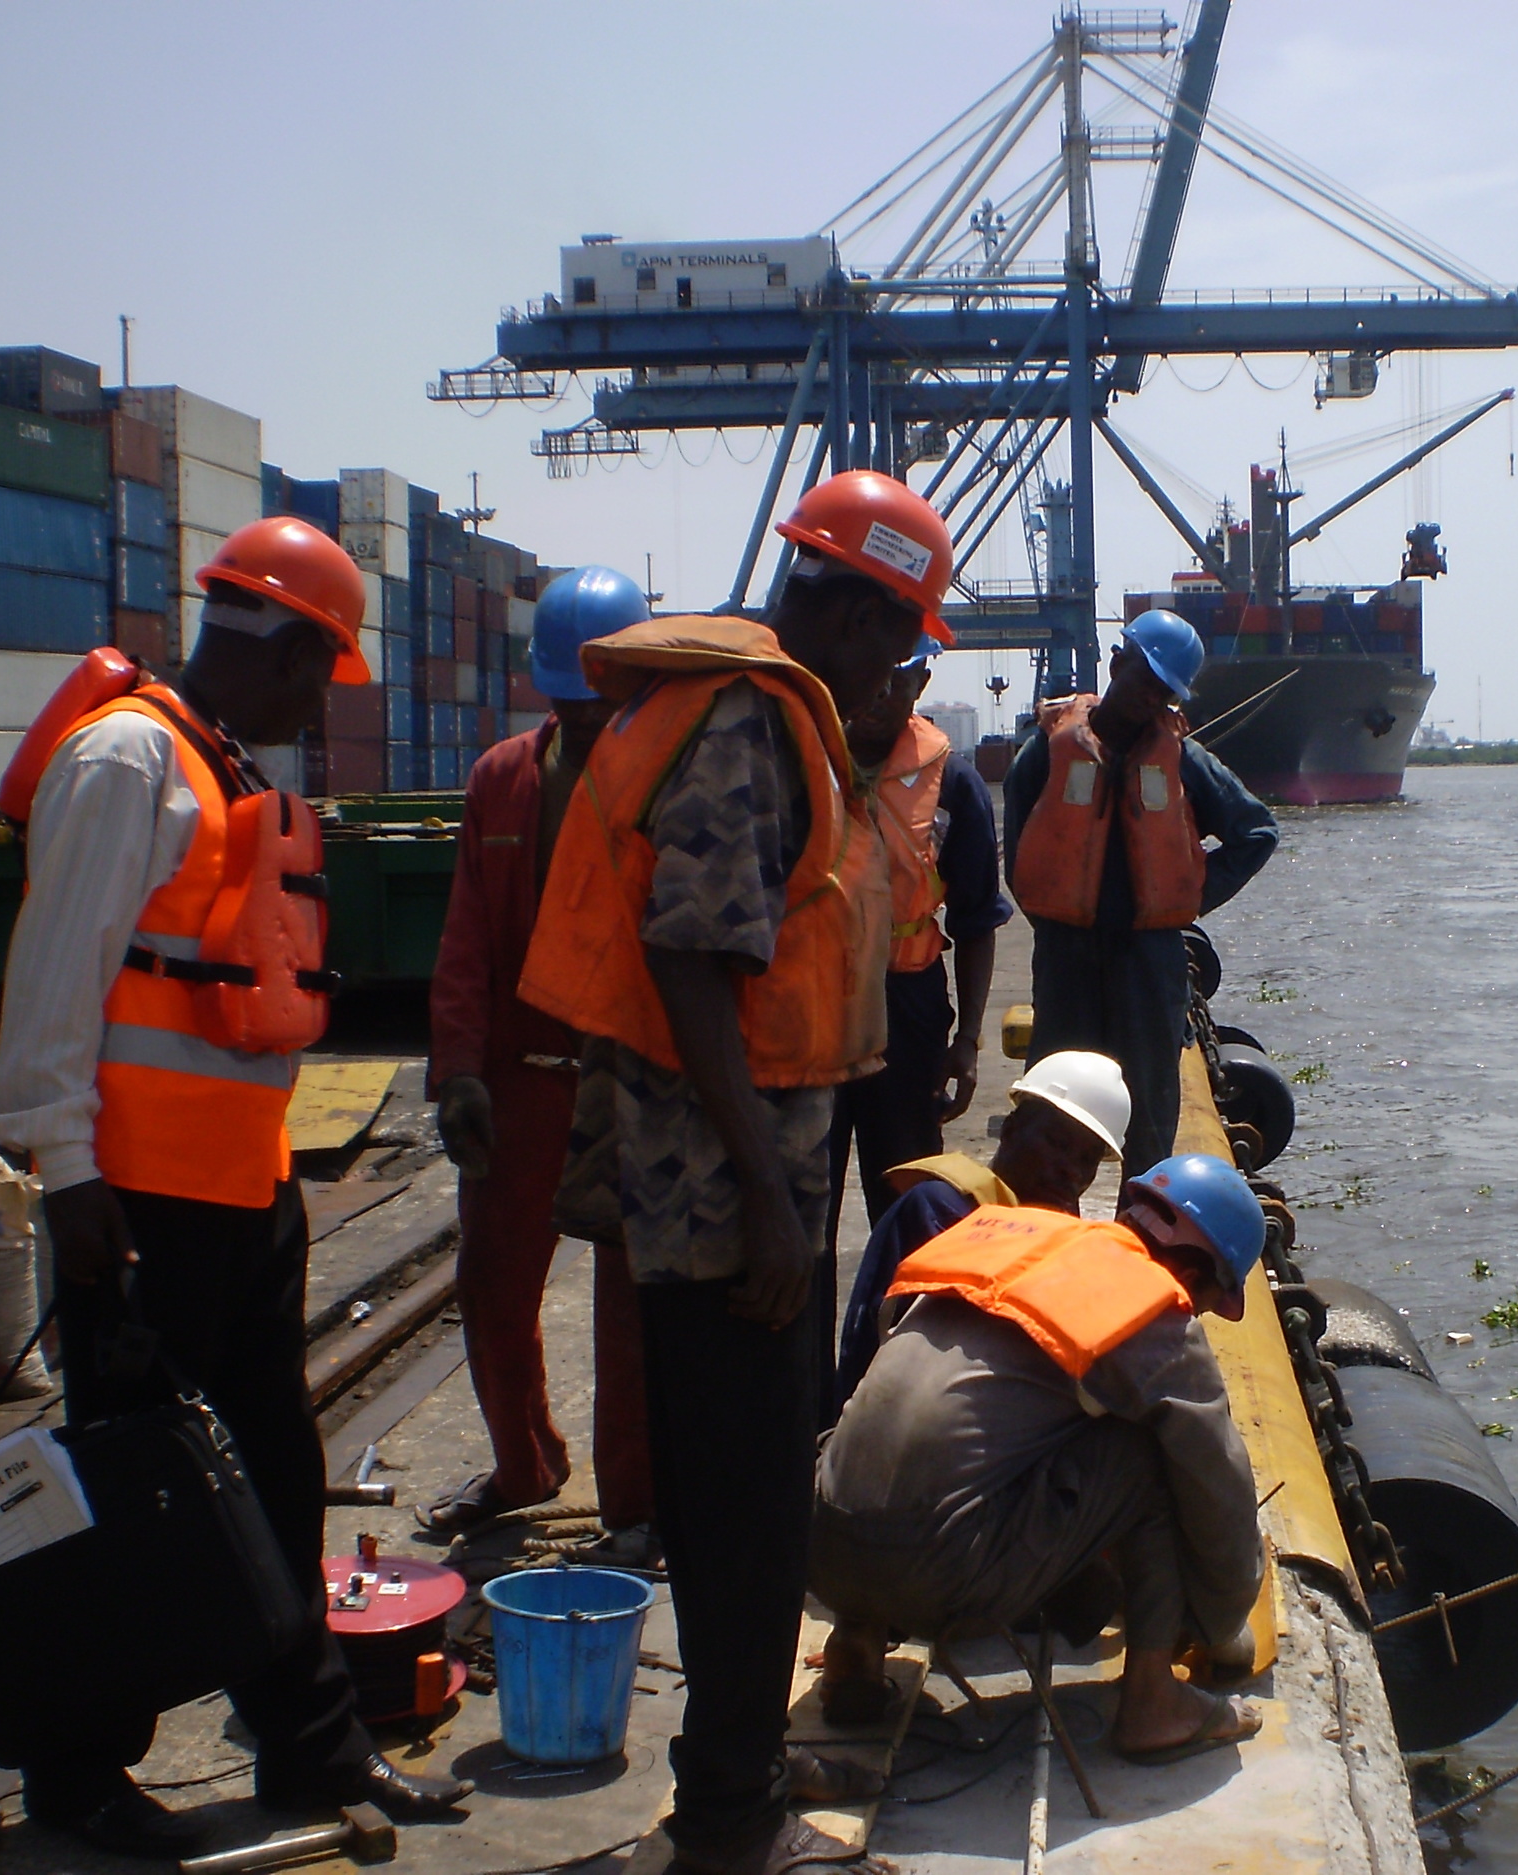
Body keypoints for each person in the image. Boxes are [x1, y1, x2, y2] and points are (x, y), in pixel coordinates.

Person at [0, 517, 472, 1859]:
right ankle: (79, 1780)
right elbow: (53, 980)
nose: (324, 704)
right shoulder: (127, 758)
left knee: (276, 1476)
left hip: (240, 1197)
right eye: (323, 670)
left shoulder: (220, 764)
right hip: (132, 1205)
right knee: (132, 1496)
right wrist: (68, 1170)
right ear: (279, 642)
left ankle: (312, 1745)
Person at [519, 469, 951, 1875]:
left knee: (730, 1490)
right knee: (748, 1500)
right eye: (899, 634)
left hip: (736, 1172)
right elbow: (692, 955)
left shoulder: (776, 718)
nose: (901, 664)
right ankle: (731, 1814)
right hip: (722, 1187)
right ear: (846, 598)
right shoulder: (753, 726)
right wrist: (773, 1198)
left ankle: (731, 1783)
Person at [812, 1154, 1269, 1764]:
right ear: (1193, 1269)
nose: (1197, 1316)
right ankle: (1155, 1704)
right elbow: (1221, 1493)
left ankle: (856, 1644)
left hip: (820, 1547)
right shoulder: (1150, 1304)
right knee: (1152, 1453)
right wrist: (1223, 1626)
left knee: (941, 1437)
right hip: (935, 1578)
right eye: (1209, 1301)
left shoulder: (996, 1241)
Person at [424, 566, 657, 1563]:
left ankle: (636, 1503)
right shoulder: (501, 781)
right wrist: (459, 1072)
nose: (582, 720)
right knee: (491, 1283)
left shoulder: (669, 780)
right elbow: (469, 933)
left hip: (630, 1075)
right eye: (567, 702)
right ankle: (525, 1466)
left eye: (599, 703)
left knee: (633, 1308)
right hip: (521, 1075)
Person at [1004, 611, 1279, 1173]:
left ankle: (1142, 1233)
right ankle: (1047, 1230)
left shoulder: (1184, 762)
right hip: (1066, 956)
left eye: (1164, 690)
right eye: (1144, 679)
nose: (1150, 698)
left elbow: (1257, 832)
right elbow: (1019, 853)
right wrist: (1054, 914)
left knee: (1150, 1115)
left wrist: (1187, 897)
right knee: (1054, 1103)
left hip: (1148, 961)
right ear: (1117, 662)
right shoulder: (1045, 752)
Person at [827, 635, 1010, 1242]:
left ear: (920, 687)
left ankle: (906, 1330)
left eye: (897, 680)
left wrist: (969, 1040)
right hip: (812, 1005)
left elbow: (976, 918)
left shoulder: (954, 784)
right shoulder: (805, 761)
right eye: (873, 674)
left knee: (907, 1195)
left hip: (906, 1012)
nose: (880, 694)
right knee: (804, 1199)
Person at [834, 1048, 1129, 1411]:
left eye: (1087, 1159)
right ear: (1011, 1130)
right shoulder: (941, 1209)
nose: (1072, 1170)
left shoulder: (1045, 1229)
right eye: (1058, 1143)